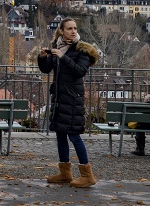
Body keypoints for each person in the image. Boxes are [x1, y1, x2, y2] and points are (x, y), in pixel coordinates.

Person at [38, 17, 98, 188]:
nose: (73, 31)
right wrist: (42, 57)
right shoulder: (58, 47)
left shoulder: (83, 50)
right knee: (60, 134)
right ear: (62, 31)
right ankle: (65, 173)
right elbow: (46, 69)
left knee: (74, 135)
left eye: (75, 28)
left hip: (72, 99)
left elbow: (80, 71)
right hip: (59, 98)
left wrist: (63, 57)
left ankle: (88, 175)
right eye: (69, 28)